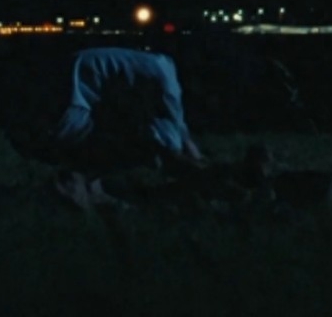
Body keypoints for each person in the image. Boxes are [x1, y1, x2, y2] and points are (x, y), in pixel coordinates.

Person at [18, 46, 209, 210]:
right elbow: (171, 142)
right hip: (64, 106)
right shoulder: (166, 81)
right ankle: (75, 181)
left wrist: (191, 151)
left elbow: (177, 125)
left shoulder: (160, 65)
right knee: (143, 147)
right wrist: (193, 171)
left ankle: (92, 187)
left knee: (121, 126)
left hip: (58, 93)